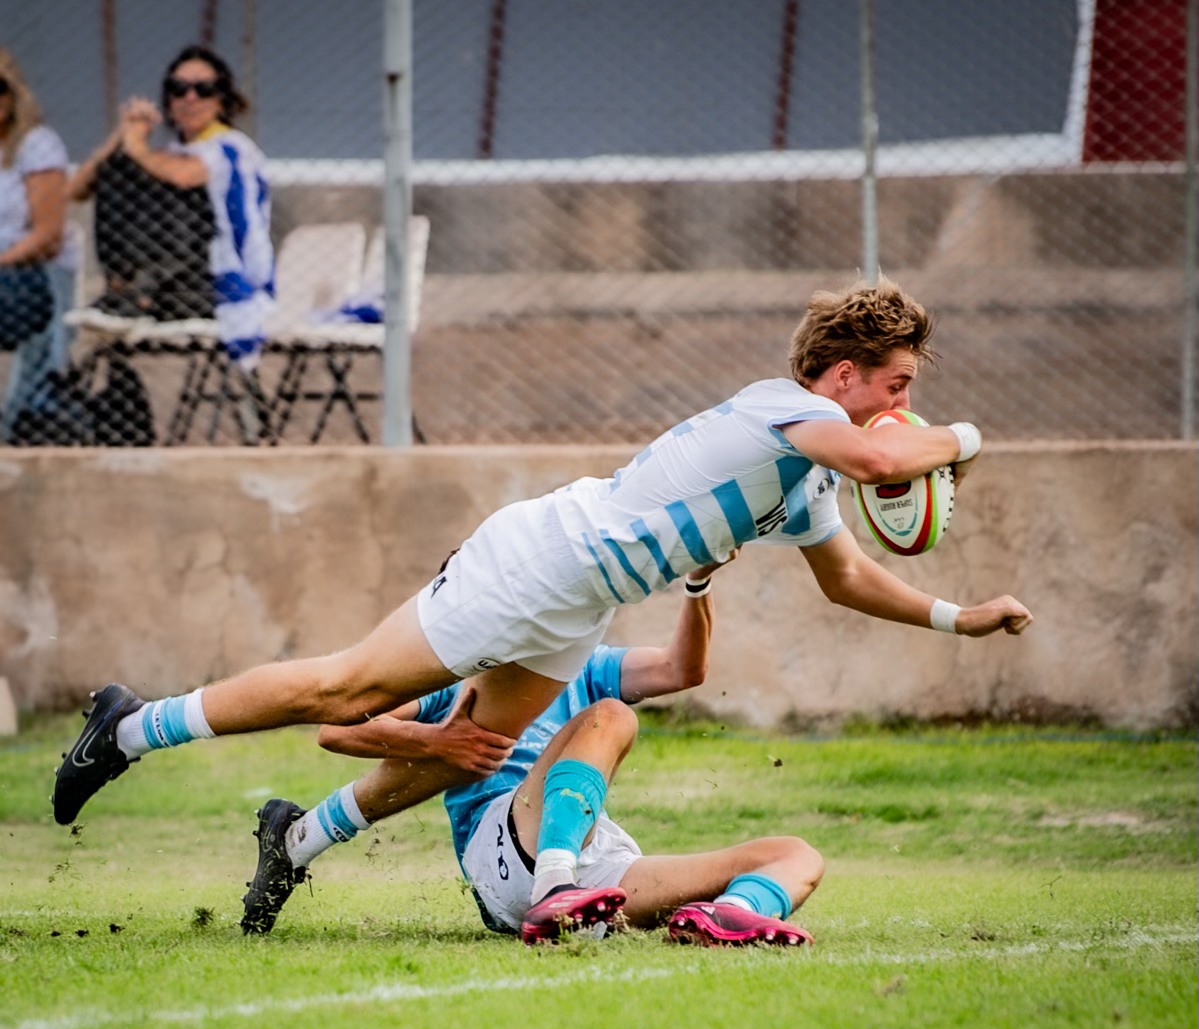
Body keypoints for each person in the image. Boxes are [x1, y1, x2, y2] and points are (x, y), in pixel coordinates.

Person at [52, 277, 1034, 830]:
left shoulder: (813, 470)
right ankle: (131, 727)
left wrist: (960, 616)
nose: (903, 406)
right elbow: (878, 452)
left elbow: (848, 576)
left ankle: (294, 841)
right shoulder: (795, 410)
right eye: (896, 383)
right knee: (346, 691)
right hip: (543, 560)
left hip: (575, 605)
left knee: (465, 753)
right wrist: (967, 435)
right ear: (846, 372)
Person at [240, 552, 823, 946]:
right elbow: (335, 731)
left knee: (795, 855)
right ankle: (555, 887)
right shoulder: (455, 678)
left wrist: (698, 582)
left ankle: (715, 919)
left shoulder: (584, 666)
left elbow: (682, 669)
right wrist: (441, 738)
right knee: (612, 717)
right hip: (507, 853)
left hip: (601, 867)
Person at [69, 45, 273, 372]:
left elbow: (183, 176)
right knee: (119, 169)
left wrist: (136, 147)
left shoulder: (232, 147)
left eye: (203, 90)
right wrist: (120, 135)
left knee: (139, 168)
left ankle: (140, 292)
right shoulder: (175, 150)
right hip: (174, 280)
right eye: (179, 89)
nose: (190, 98)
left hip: (221, 281)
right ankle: (128, 288)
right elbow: (76, 189)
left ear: (222, 99)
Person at [0, 49, 77, 443]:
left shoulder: (36, 144)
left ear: (14, 95)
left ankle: (17, 425)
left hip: (32, 276)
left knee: (24, 411)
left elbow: (48, 237)